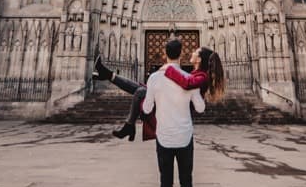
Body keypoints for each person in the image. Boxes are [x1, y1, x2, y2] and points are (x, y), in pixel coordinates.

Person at [143, 38, 205, 187]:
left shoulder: (154, 79)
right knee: (186, 185)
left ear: (164, 53)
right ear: (181, 54)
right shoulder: (189, 78)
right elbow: (200, 109)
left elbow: (147, 106)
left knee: (165, 186)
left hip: (164, 138)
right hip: (185, 138)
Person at [93, 44, 225, 141]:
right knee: (139, 88)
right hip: (171, 100)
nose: (192, 53)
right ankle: (108, 75)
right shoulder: (197, 74)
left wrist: (168, 69)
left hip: (175, 108)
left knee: (140, 92)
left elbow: (186, 84)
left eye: (196, 52)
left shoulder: (202, 77)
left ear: (199, 59)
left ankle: (129, 125)